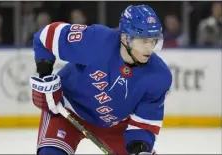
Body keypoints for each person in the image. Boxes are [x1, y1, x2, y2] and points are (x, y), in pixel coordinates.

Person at [30, 4, 172, 155]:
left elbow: (145, 123)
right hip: (66, 109)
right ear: (125, 37)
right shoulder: (96, 40)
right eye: (144, 41)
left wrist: (140, 148)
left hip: (114, 124)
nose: (150, 48)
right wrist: (45, 76)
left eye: (154, 40)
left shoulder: (159, 76)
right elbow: (45, 36)